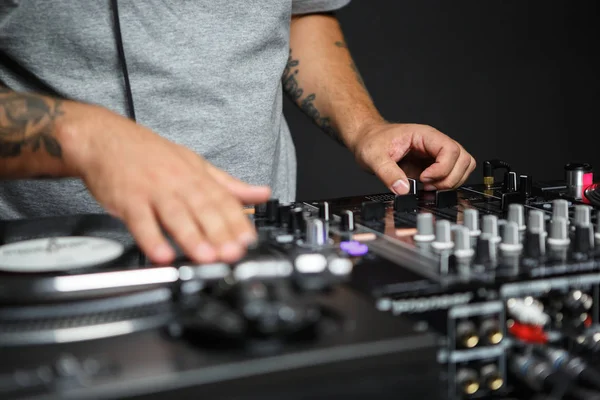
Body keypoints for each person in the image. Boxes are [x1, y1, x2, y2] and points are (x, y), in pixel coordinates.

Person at [0, 1, 475, 265]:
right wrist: (84, 135)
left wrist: (367, 126)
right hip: (44, 261)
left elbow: (300, 13)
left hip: (256, 248)